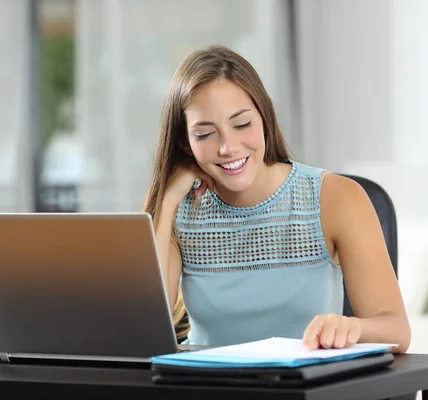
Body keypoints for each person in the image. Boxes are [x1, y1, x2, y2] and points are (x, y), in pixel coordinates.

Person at [143, 45, 410, 353]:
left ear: (265, 117)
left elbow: (397, 331)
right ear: (185, 143)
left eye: (242, 124)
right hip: (204, 385)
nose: (227, 147)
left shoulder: (336, 198)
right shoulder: (178, 211)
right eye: (205, 134)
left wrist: (354, 328)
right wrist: (166, 201)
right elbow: (145, 332)